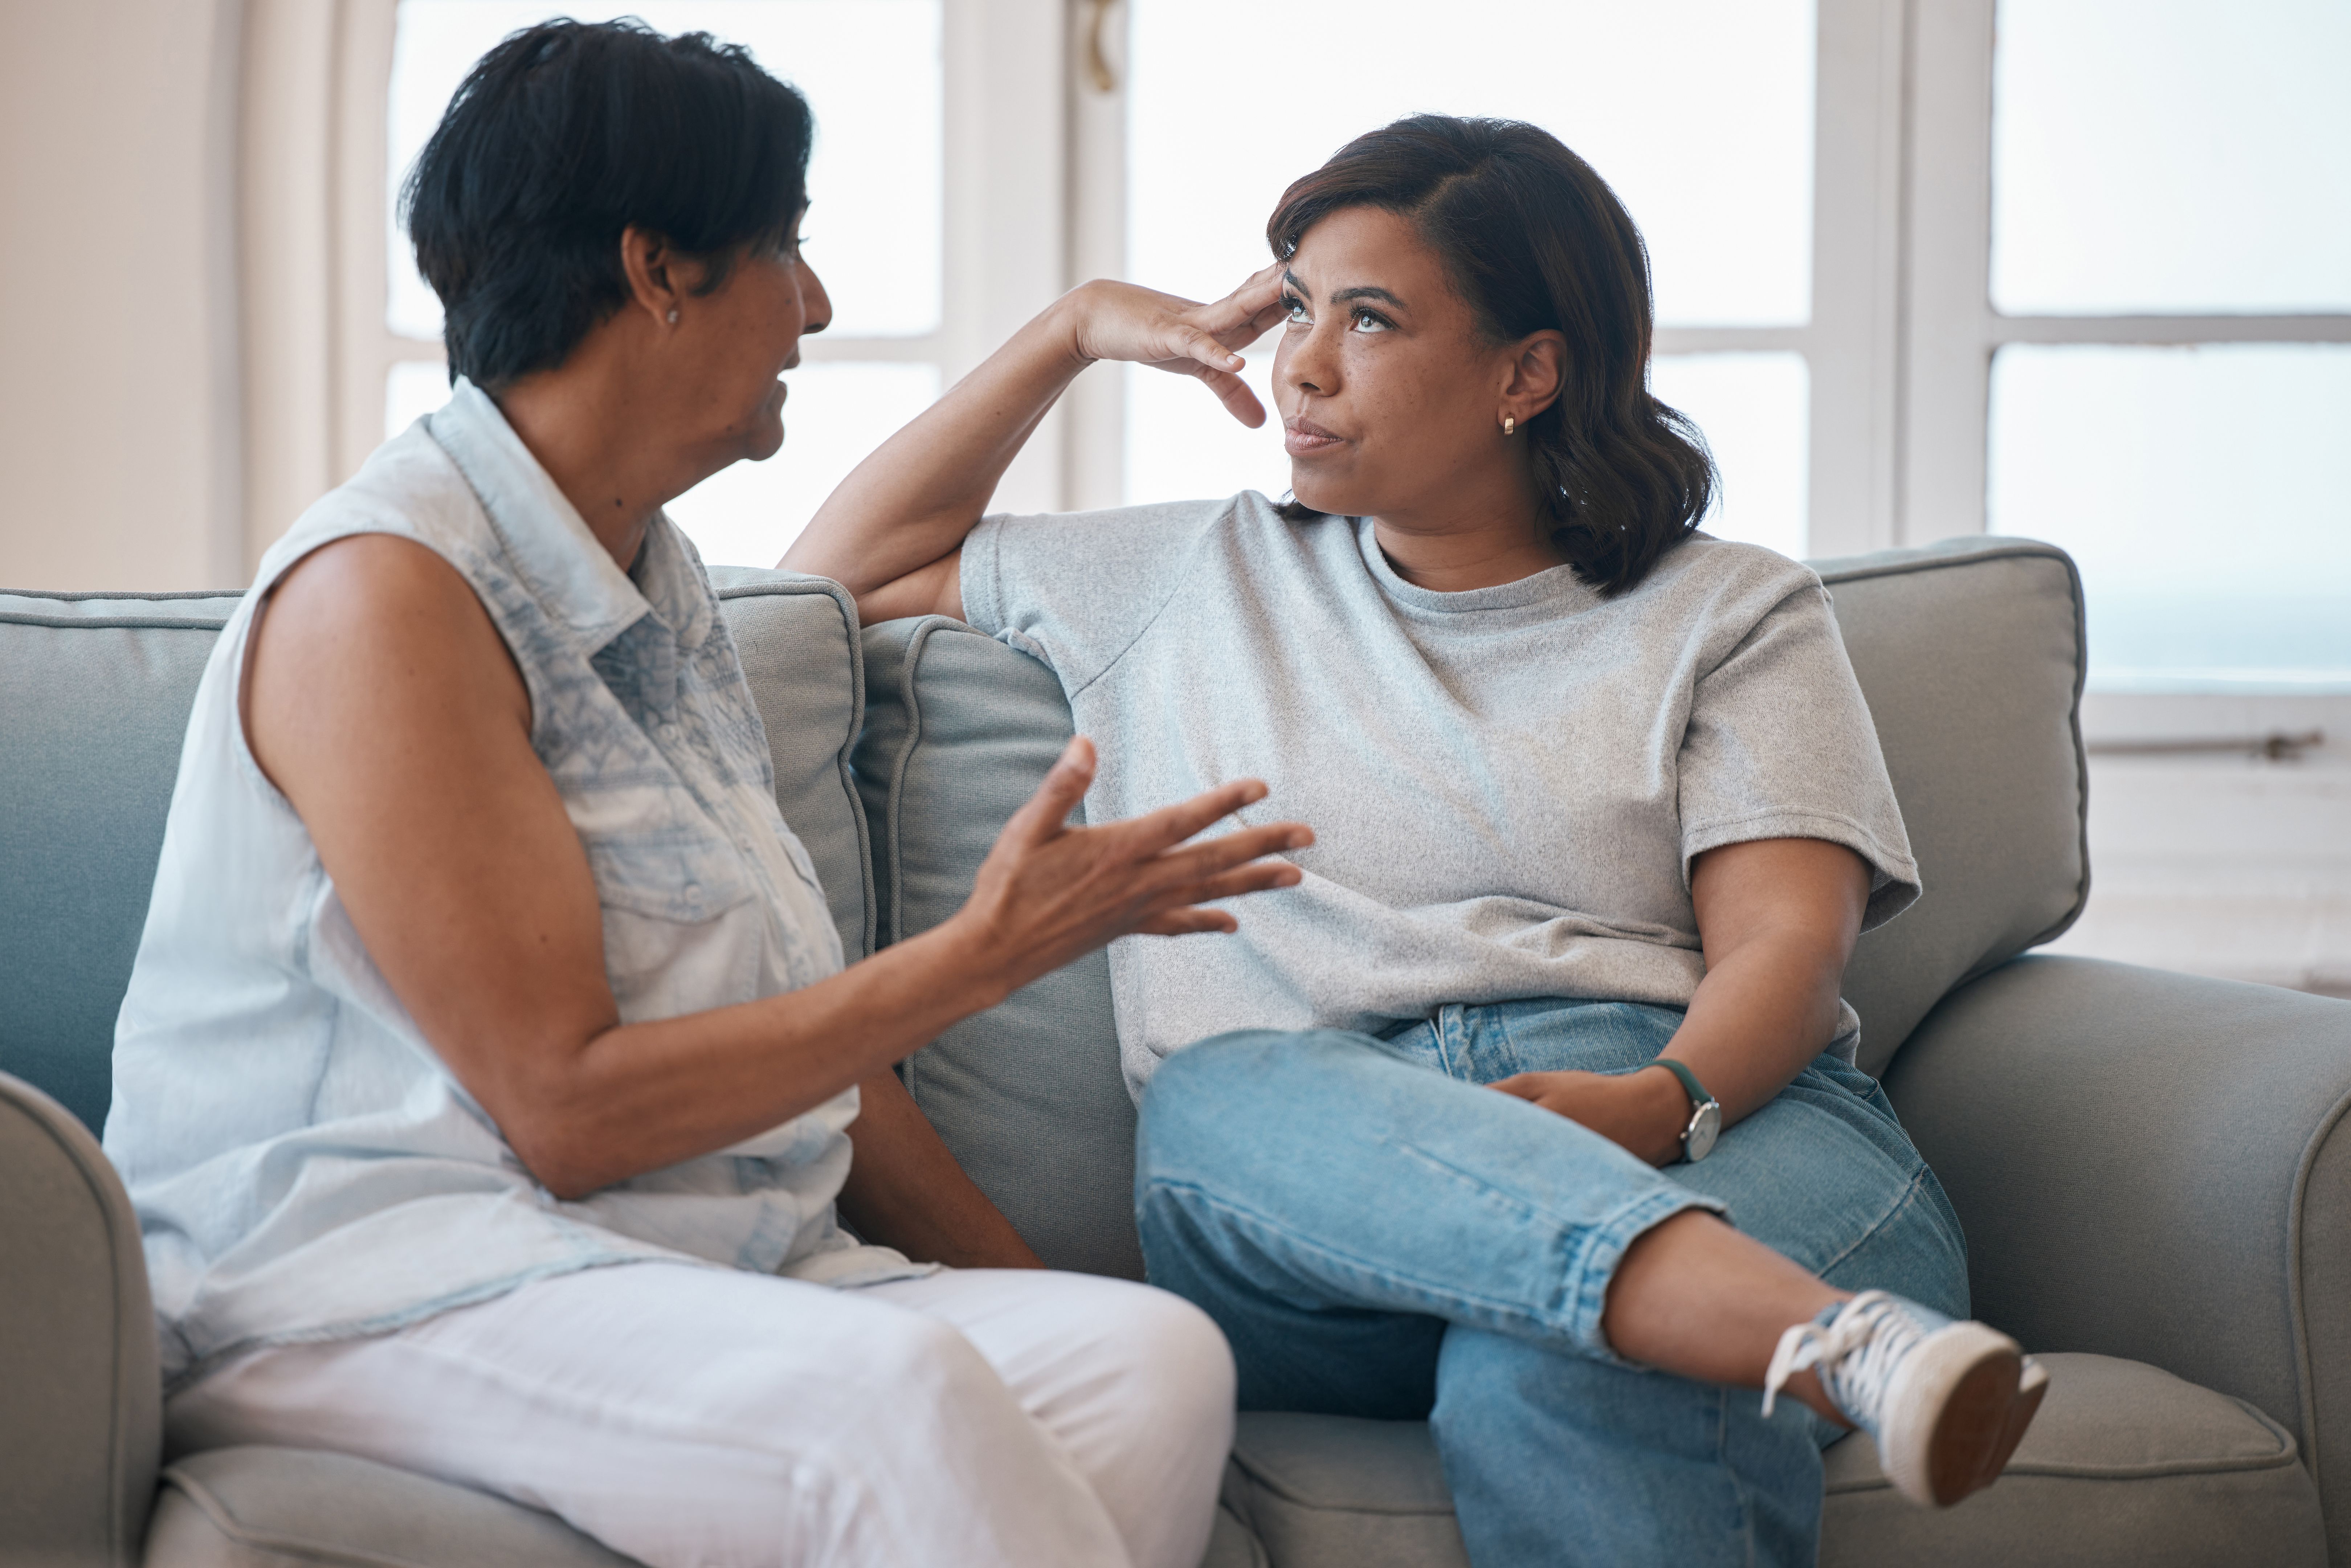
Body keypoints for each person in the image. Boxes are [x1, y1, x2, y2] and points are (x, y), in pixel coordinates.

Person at [102, 22, 1312, 1568]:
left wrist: (1047, 1297)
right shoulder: (385, 596)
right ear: (658, 270)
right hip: (374, 1277)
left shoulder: (654, 581)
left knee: (1146, 1362)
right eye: (785, 249)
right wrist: (983, 956)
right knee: (895, 1403)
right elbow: (566, 1110)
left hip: (680, 1266)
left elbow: (814, 1059)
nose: (815, 305)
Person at [786, 114, 2048, 1567]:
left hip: (1717, 1129)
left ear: (1530, 371)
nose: (1302, 366)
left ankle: (1726, 1308)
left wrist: (1655, 1101)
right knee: (1218, 1100)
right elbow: (826, 587)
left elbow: (1786, 946)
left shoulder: (1733, 613)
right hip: (1319, 1184)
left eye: (1370, 320)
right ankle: (1817, 1338)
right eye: (1295, 311)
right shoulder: (1179, 578)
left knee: (1567, 1354)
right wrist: (1075, 331)